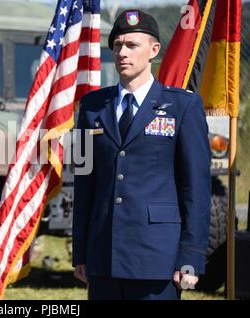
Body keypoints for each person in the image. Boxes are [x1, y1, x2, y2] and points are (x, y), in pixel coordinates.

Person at [72, 9, 211, 300]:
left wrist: (191, 255)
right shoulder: (91, 107)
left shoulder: (183, 107)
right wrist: (81, 250)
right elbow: (84, 183)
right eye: (118, 45)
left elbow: (196, 189)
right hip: (103, 255)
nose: (123, 52)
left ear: (154, 50)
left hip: (157, 258)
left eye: (132, 45)